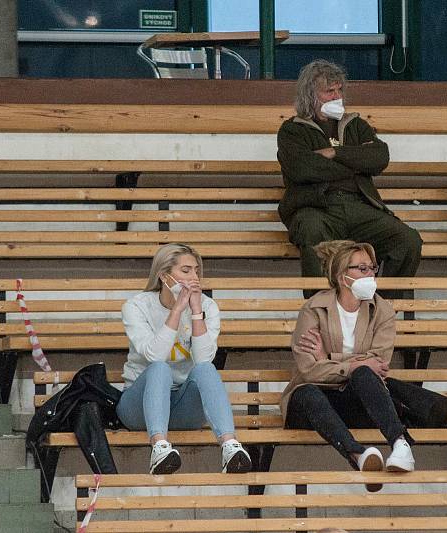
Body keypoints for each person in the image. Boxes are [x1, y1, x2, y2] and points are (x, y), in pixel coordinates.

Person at [280, 240, 415, 492]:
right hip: (311, 403)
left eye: (372, 268)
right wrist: (351, 365)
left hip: (355, 399)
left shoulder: (383, 310)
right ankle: (357, 455)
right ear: (343, 277)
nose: (371, 274)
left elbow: (379, 364)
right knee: (308, 391)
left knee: (364, 373)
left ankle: (400, 445)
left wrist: (328, 357)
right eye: (362, 268)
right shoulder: (313, 308)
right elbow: (308, 370)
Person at [277, 59, 422, 283]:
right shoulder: (292, 130)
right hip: (316, 207)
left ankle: (384, 307)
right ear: (310, 95)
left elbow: (379, 157)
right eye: (329, 91)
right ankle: (321, 309)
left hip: (359, 205)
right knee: (312, 231)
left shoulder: (355, 124)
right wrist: (355, 163)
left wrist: (335, 153)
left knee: (408, 240)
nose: (337, 96)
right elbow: (302, 168)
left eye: (339, 90)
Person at [116, 243, 252, 475]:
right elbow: (154, 355)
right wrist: (177, 311)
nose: (194, 277)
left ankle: (230, 446)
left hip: (184, 407)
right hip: (139, 407)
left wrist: (196, 311)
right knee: (160, 368)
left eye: (196, 271)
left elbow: (203, 359)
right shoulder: (136, 306)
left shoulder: (208, 306)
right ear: (164, 275)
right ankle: (159, 447)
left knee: (206, 370)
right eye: (186, 271)